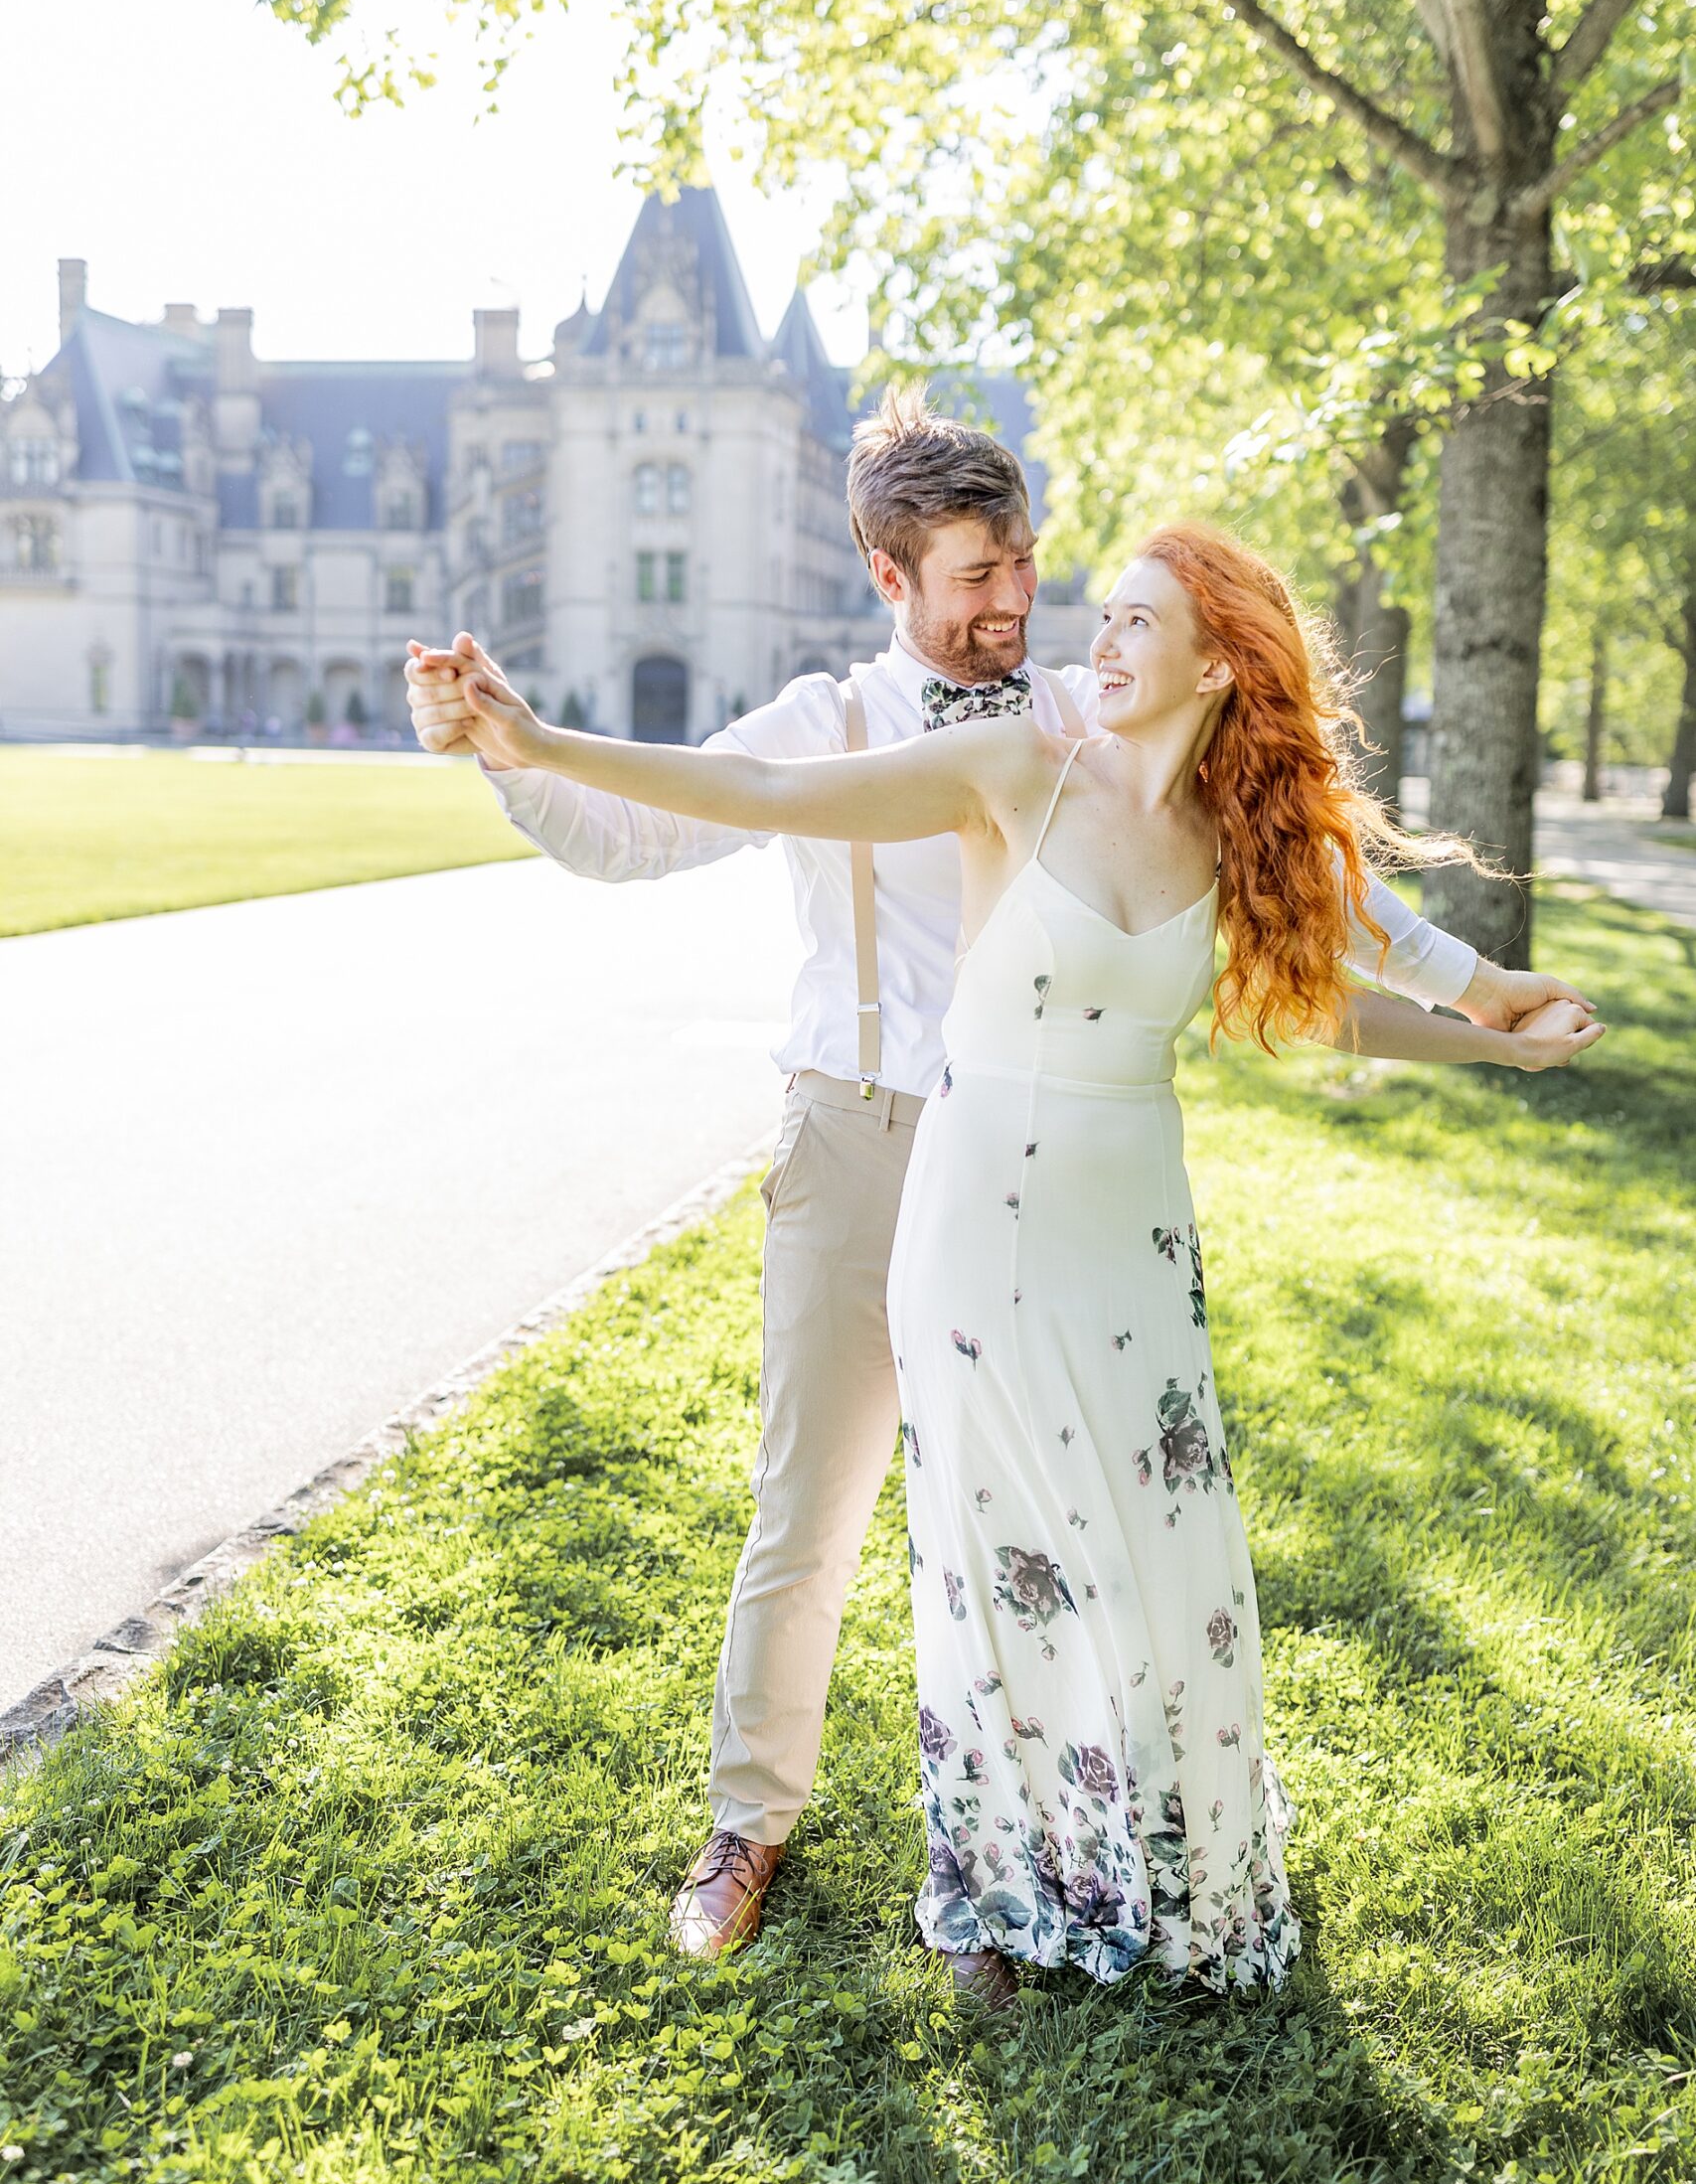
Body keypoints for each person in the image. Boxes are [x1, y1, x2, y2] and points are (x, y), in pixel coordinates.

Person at [405, 389, 1596, 1970]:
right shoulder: (831, 723)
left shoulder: (1080, 726)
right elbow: (643, 829)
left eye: (1025, 564)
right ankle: (751, 1826)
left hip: (1071, 1184)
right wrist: (508, 746)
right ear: (890, 575)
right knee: (814, 1511)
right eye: (975, 574)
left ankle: (1071, 1833)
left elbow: (1293, 880)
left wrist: (1475, 985)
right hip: (862, 1133)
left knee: (1056, 1520)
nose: (1014, 601)